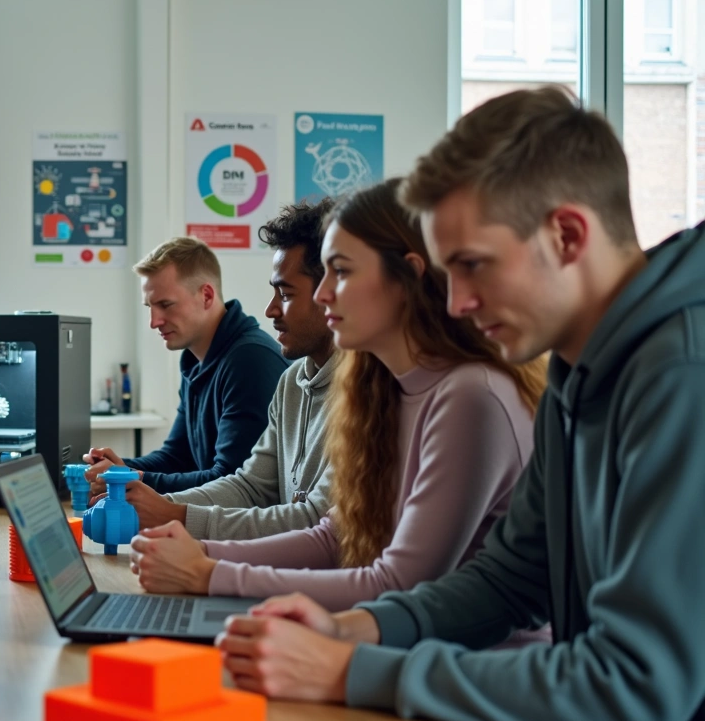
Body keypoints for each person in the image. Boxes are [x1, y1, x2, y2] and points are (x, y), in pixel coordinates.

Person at [218, 87, 705, 721]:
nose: (457, 302)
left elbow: (634, 682)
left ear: (569, 235)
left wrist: (353, 673)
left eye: (473, 267)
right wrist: (359, 633)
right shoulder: (582, 364)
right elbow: (512, 577)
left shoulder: (680, 371)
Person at [130, 179, 545, 612]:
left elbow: (397, 582)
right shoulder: (382, 388)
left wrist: (209, 572)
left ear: (408, 277)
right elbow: (333, 537)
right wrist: (203, 557)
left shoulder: (470, 396)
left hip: (458, 664)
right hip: (388, 638)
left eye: (341, 272)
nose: (325, 293)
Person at [122, 201, 340, 538]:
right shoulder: (291, 382)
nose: (270, 310)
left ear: (331, 294)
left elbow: (316, 523)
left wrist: (177, 518)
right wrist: (155, 500)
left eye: (285, 293)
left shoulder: (366, 389)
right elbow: (250, 486)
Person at [84, 236, 287, 492]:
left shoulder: (249, 360)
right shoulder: (195, 360)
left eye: (165, 305)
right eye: (149, 306)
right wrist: (113, 468)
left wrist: (129, 478)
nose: (154, 321)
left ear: (206, 295)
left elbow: (232, 483)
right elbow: (177, 456)